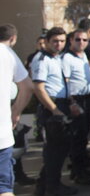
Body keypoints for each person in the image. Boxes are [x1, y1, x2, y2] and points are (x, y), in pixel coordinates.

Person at [32, 27, 78, 196]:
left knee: (60, 150)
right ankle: (52, 187)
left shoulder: (57, 58)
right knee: (53, 151)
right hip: (51, 108)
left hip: (62, 105)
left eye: (62, 41)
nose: (59, 44)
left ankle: (45, 185)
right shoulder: (42, 59)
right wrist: (55, 111)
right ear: (47, 41)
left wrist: (71, 103)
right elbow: (39, 88)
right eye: (55, 41)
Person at [62, 30, 90, 186]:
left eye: (85, 40)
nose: (81, 42)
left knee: (83, 137)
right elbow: (65, 82)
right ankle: (79, 173)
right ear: (71, 40)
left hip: (87, 99)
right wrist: (72, 103)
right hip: (76, 100)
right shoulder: (67, 58)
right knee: (77, 139)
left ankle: (80, 169)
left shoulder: (83, 56)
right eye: (78, 39)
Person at [1, 24, 34, 196]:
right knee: (4, 189)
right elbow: (28, 86)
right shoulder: (5, 52)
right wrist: (16, 111)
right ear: (13, 38)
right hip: (1, 137)